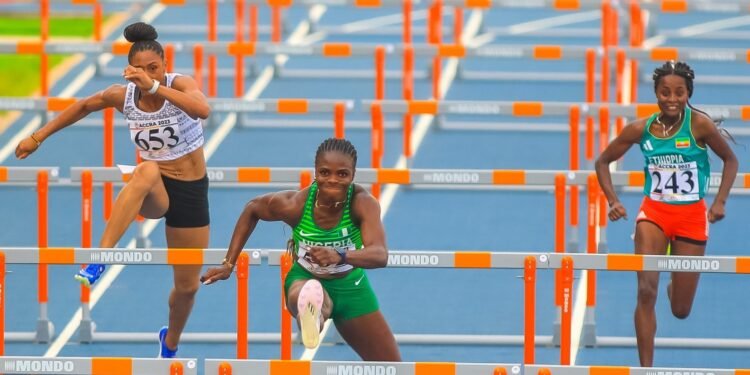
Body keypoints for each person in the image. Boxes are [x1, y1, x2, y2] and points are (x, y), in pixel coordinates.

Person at [15, 22, 211, 358]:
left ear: (164, 66)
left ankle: (171, 340)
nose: (149, 73)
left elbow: (202, 109)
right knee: (146, 169)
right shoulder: (122, 96)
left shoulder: (179, 84)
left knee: (187, 287)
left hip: (192, 191)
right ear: (130, 70)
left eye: (155, 68)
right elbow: (82, 106)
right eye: (142, 69)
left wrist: (155, 87)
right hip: (156, 189)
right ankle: (100, 257)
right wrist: (38, 137)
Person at [201, 138, 401, 361]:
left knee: (391, 366)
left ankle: (316, 312)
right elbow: (252, 209)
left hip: (350, 287)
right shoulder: (296, 204)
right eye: (325, 172)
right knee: (307, 290)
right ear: (315, 173)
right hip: (305, 277)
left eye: (342, 174)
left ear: (353, 175)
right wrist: (229, 263)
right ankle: (313, 313)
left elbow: (380, 254)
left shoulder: (362, 203)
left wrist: (340, 255)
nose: (332, 180)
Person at [595, 61, 738, 366]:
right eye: (665, 93)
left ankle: (677, 285)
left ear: (689, 94)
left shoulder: (700, 125)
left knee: (681, 310)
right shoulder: (640, 129)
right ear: (656, 94)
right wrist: (613, 200)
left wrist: (720, 201)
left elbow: (731, 161)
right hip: (654, 214)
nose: (672, 99)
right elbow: (602, 162)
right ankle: (646, 369)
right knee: (646, 291)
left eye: (679, 93)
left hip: (691, 217)